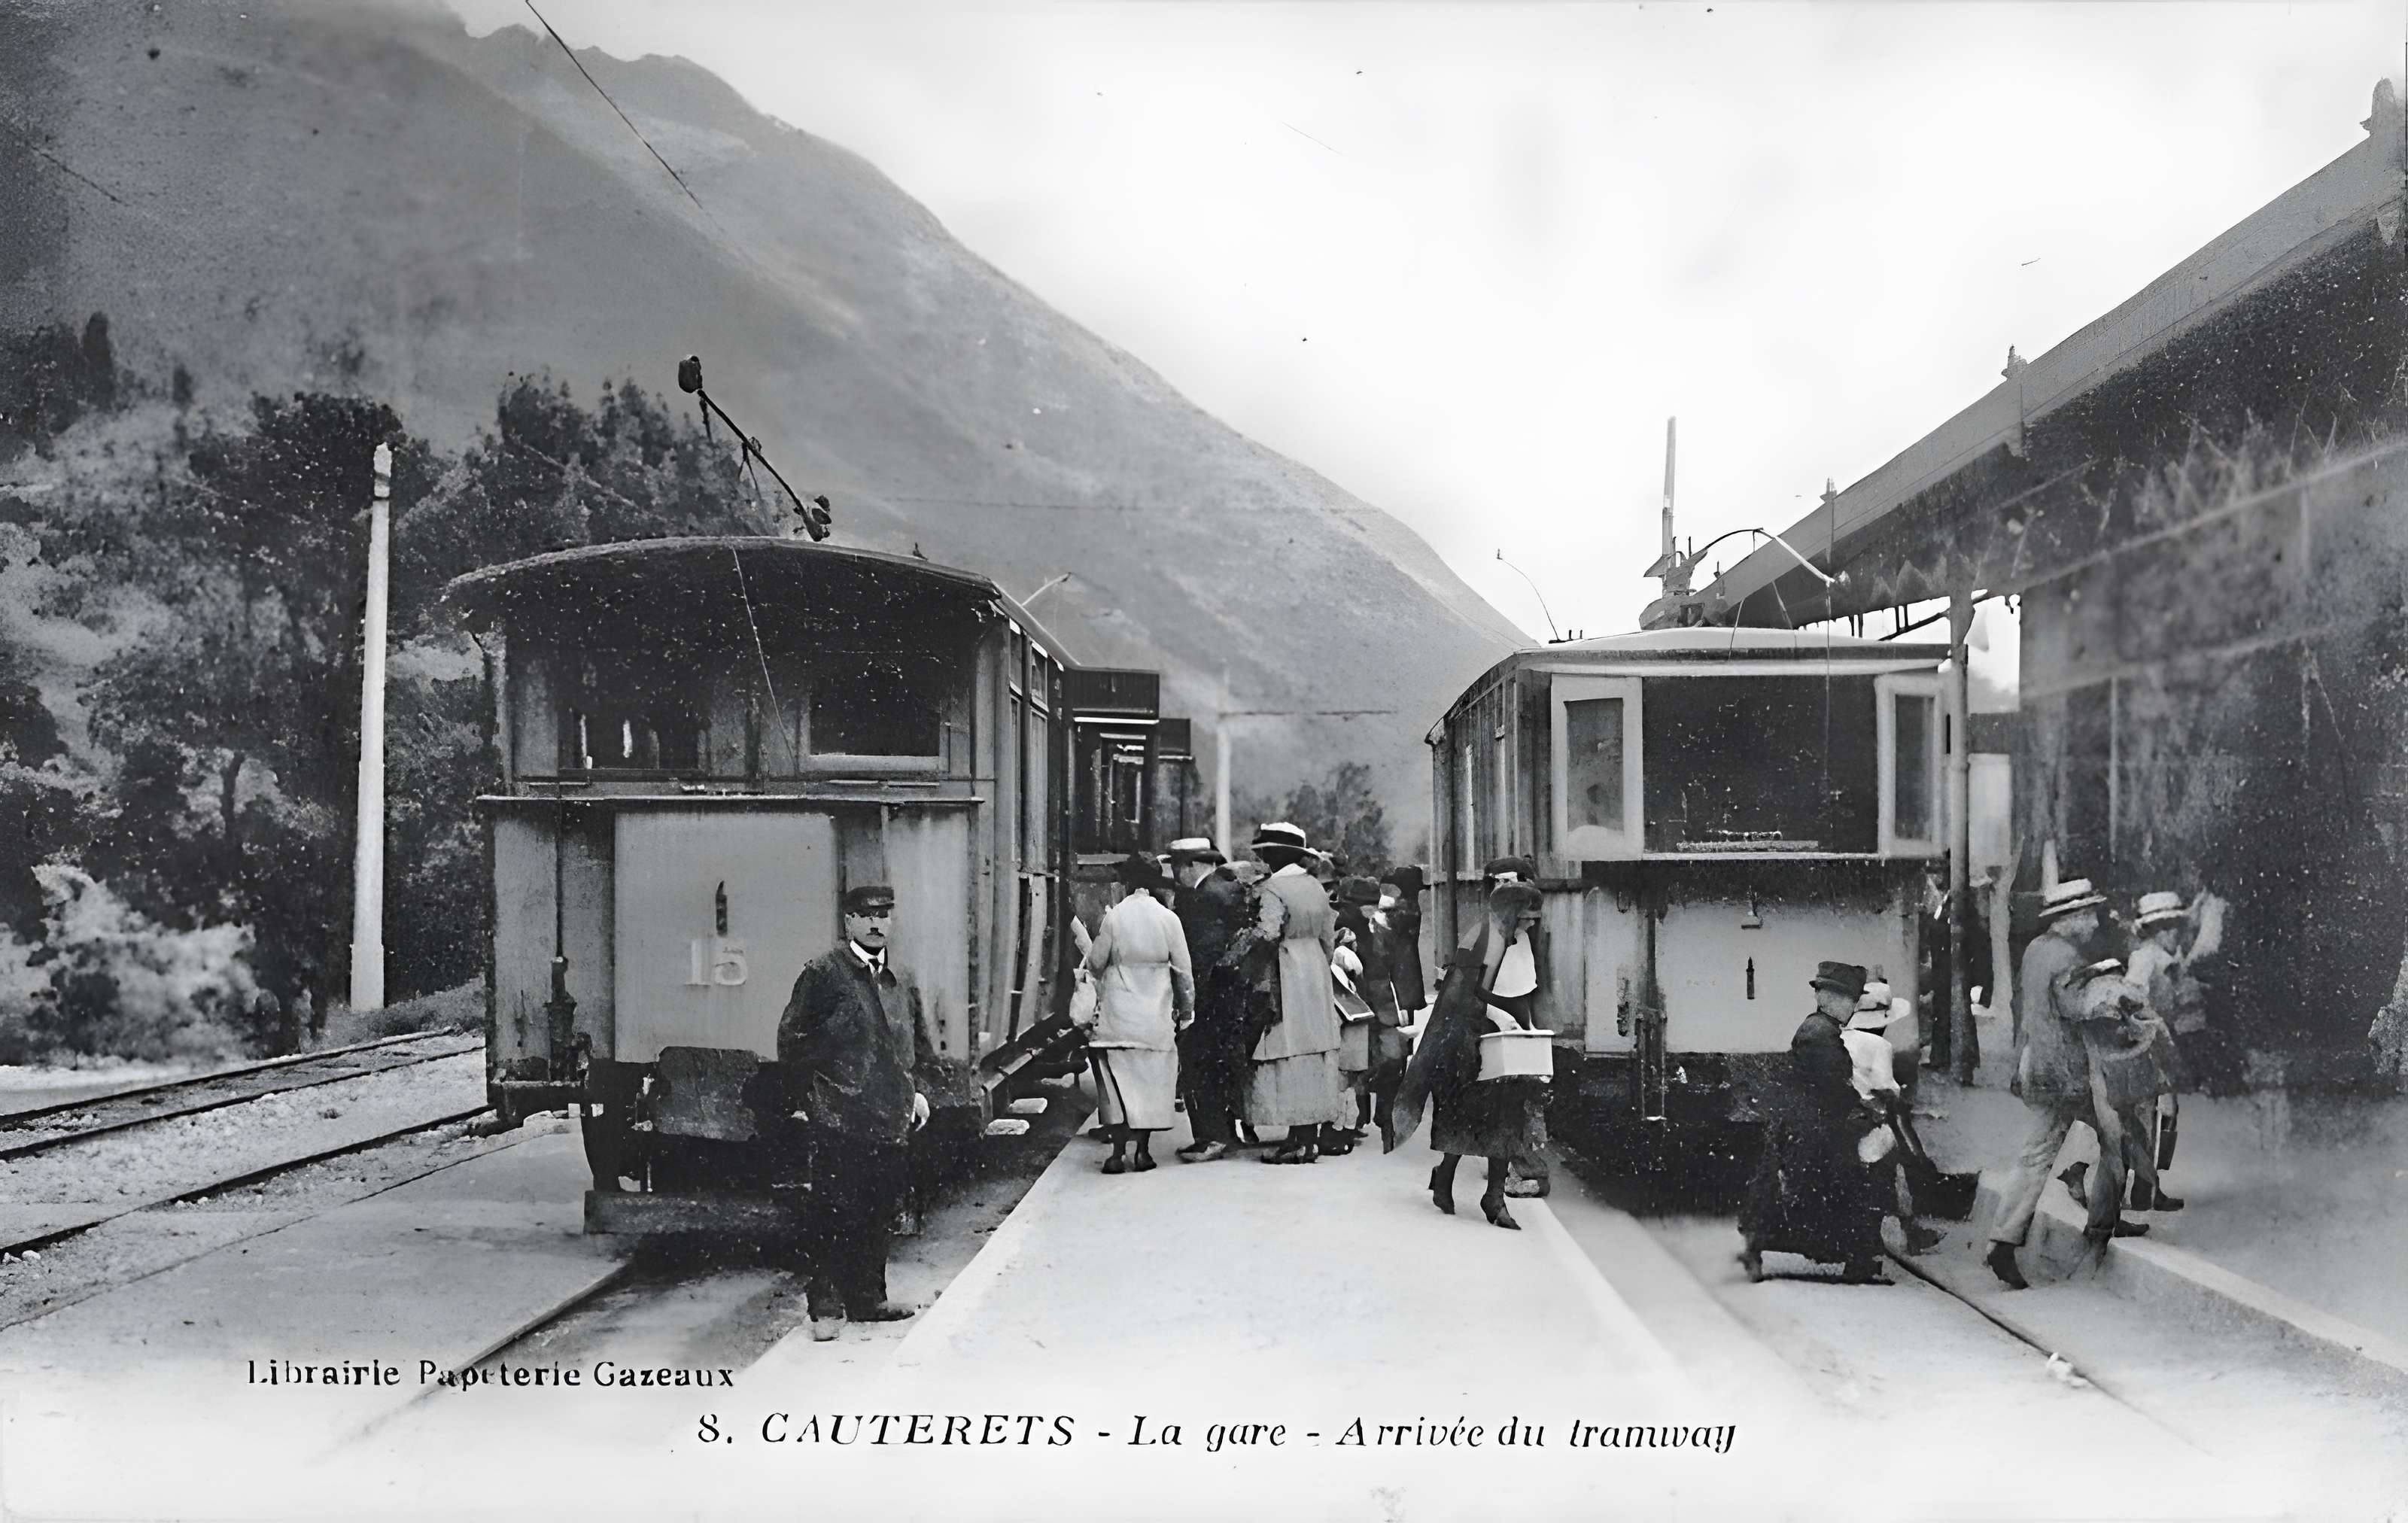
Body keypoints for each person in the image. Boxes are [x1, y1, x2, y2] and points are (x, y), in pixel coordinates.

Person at [777, 884, 938, 1342]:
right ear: (847, 922)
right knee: (833, 1210)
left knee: (878, 1209)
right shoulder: (824, 973)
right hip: (839, 1117)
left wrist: (916, 1092)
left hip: (889, 1117)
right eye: (864, 916)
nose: (875, 923)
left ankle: (869, 1300)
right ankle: (825, 1307)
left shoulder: (900, 978)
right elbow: (792, 1041)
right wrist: (814, 1100)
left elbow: (915, 1046)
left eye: (884, 915)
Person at [1985, 878, 2150, 1290]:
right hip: (2068, 1072)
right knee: (2120, 1138)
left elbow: (2026, 1010)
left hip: (2036, 1065)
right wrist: (2114, 1001)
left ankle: (2004, 1239)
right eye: (2089, 914)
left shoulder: (2035, 950)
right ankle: (2101, 1227)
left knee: (2036, 1155)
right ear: (2071, 918)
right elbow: (2076, 1009)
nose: (2094, 922)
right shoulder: (2066, 959)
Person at [1385, 880, 1550, 1231]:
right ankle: (1449, 1176)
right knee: (1473, 1112)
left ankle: (1491, 1195)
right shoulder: (1489, 938)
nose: (1533, 923)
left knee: (1503, 1112)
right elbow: (1471, 992)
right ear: (1513, 913)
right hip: (1469, 1037)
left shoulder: (1502, 935)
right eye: (1528, 916)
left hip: (1492, 1033)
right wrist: (1502, 1017)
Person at [1738, 961, 1891, 1284]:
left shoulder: (1820, 1029)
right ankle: (1856, 1254)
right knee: (1858, 1178)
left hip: (1809, 1124)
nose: (1853, 1007)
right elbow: (1832, 1086)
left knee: (1812, 1186)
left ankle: (1766, 1243)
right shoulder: (1820, 1034)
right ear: (1830, 999)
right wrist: (1863, 1107)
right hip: (1815, 1129)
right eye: (1851, 1000)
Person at [1238, 822, 1348, 1163]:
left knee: (1287, 1050)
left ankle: (1295, 1142)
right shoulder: (1315, 887)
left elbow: (1267, 933)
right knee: (1314, 1052)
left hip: (1285, 972)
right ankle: (1307, 1137)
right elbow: (1329, 938)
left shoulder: (1271, 890)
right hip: (1315, 969)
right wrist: (1318, 961)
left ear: (1274, 855)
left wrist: (1243, 954)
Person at [1081, 853, 1194, 1175]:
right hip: (1155, 1017)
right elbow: (1184, 973)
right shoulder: (1169, 919)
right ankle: (1143, 1151)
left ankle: (1117, 1154)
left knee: (1116, 1085)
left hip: (1119, 1015)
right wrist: (1186, 1012)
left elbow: (1096, 963)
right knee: (1149, 1085)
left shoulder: (1115, 917)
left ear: (1127, 881)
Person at [1845, 981, 1944, 1254]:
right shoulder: (1879, 1047)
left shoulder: (1839, 1040)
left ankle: (1904, 1228)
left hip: (1842, 1122)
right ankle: (1910, 1228)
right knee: (1897, 1162)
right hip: (1869, 1123)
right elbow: (1888, 1089)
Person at [1167, 838, 1249, 1162]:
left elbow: (1201, 956)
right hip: (1228, 995)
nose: (1175, 874)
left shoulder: (1203, 898)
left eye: (1177, 866)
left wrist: (1187, 1001)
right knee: (1220, 1065)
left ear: (1193, 865)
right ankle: (1226, 1133)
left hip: (1209, 996)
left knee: (1199, 1066)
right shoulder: (1227, 890)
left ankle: (1210, 1138)